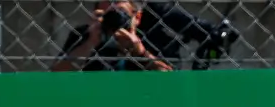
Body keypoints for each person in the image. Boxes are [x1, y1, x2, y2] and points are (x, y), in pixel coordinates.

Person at [52, 1, 236, 72]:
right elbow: (55, 77)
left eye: (119, 9)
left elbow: (170, 81)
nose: (114, 15)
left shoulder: (156, 34)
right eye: (108, 10)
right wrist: (91, 41)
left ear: (137, 17)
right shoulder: (85, 35)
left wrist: (140, 53)